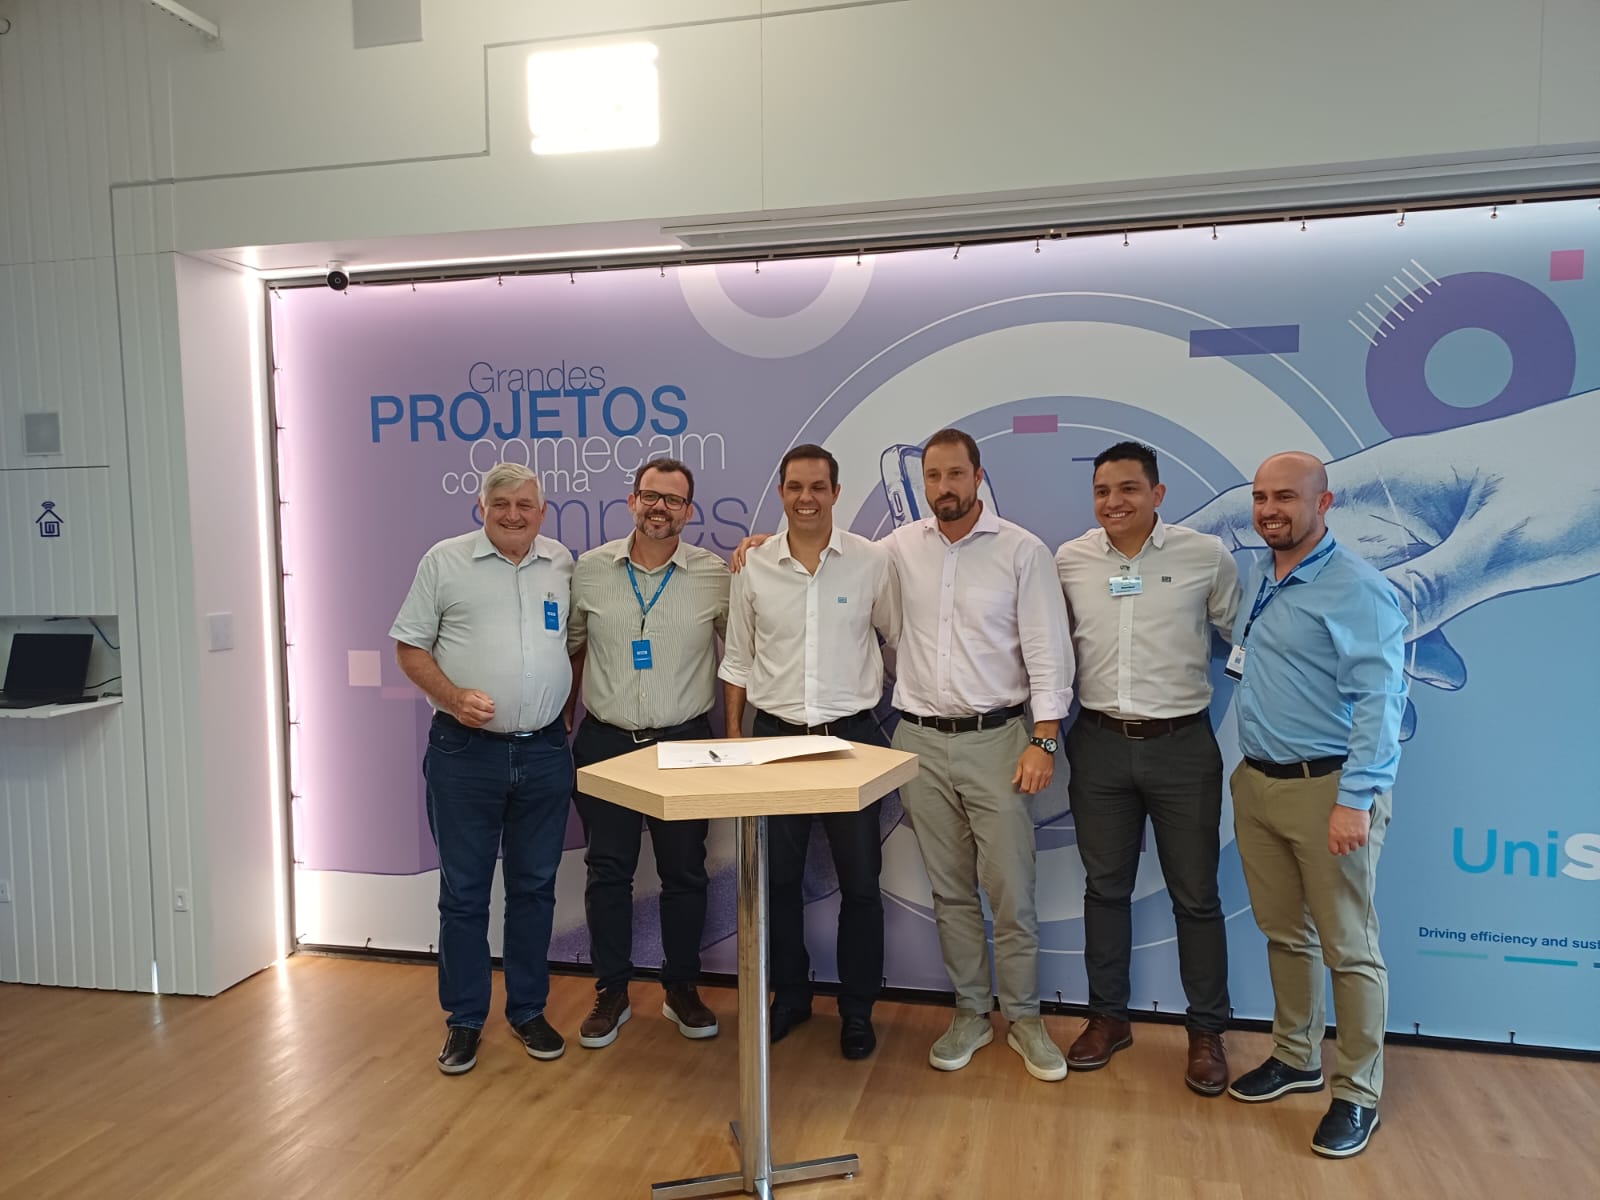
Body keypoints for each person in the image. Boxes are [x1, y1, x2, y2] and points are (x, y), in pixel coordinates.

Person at [1222, 451, 1407, 1159]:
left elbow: (1382, 702)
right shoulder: (1258, 576)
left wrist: (1355, 801)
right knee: (1284, 933)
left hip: (1330, 790)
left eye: (1286, 497)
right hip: (1258, 783)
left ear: (1324, 503)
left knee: (1349, 948)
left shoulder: (1358, 588)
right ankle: (1297, 1057)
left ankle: (1358, 1092)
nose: (1270, 510)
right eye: (1261, 497)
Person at [885, 428, 1076, 1082]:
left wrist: (1043, 739)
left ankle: (1024, 1019)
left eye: (955, 474)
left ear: (978, 476)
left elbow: (1048, 651)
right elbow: (833, 561)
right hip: (917, 740)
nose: (944, 487)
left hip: (999, 741)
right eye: (933, 476)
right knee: (950, 890)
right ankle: (971, 1011)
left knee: (1011, 891)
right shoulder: (898, 549)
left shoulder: (1021, 550)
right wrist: (760, 545)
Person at [1055, 441, 1240, 1094]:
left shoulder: (1205, 556)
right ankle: (1108, 1018)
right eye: (1102, 491)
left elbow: (1242, 636)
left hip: (1182, 746)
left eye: (1128, 489)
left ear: (1158, 494)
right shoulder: (1070, 561)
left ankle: (1207, 1032)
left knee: (1197, 895)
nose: (1114, 502)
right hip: (1099, 743)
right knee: (1104, 890)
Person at [390, 462, 574, 1075]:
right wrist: (451, 696)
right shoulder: (444, 562)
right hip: (465, 755)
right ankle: (465, 1019)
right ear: (482, 508)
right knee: (464, 894)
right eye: (502, 504)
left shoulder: (560, 563)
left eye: (525, 505)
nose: (513, 515)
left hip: (545, 752)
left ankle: (528, 1010)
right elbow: (409, 647)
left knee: (534, 889)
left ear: (541, 512)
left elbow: (570, 645)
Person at [720, 444, 900, 1060]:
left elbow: (896, 638)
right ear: (781, 492)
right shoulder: (753, 566)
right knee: (779, 883)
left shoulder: (871, 561)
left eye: (818, 487)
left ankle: (857, 1009)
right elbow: (738, 659)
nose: (806, 498)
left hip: (852, 739)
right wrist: (736, 737)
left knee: (862, 884)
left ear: (836, 492)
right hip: (774, 740)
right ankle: (791, 997)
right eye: (795, 487)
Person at [565, 459, 730, 1050]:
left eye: (674, 500)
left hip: (682, 742)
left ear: (689, 511)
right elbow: (573, 647)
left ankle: (680, 987)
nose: (661, 508)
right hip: (606, 742)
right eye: (651, 496)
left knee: (683, 873)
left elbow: (741, 656)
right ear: (633, 500)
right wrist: (563, 720)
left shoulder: (714, 575)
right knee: (607, 871)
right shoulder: (590, 570)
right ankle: (611, 991)